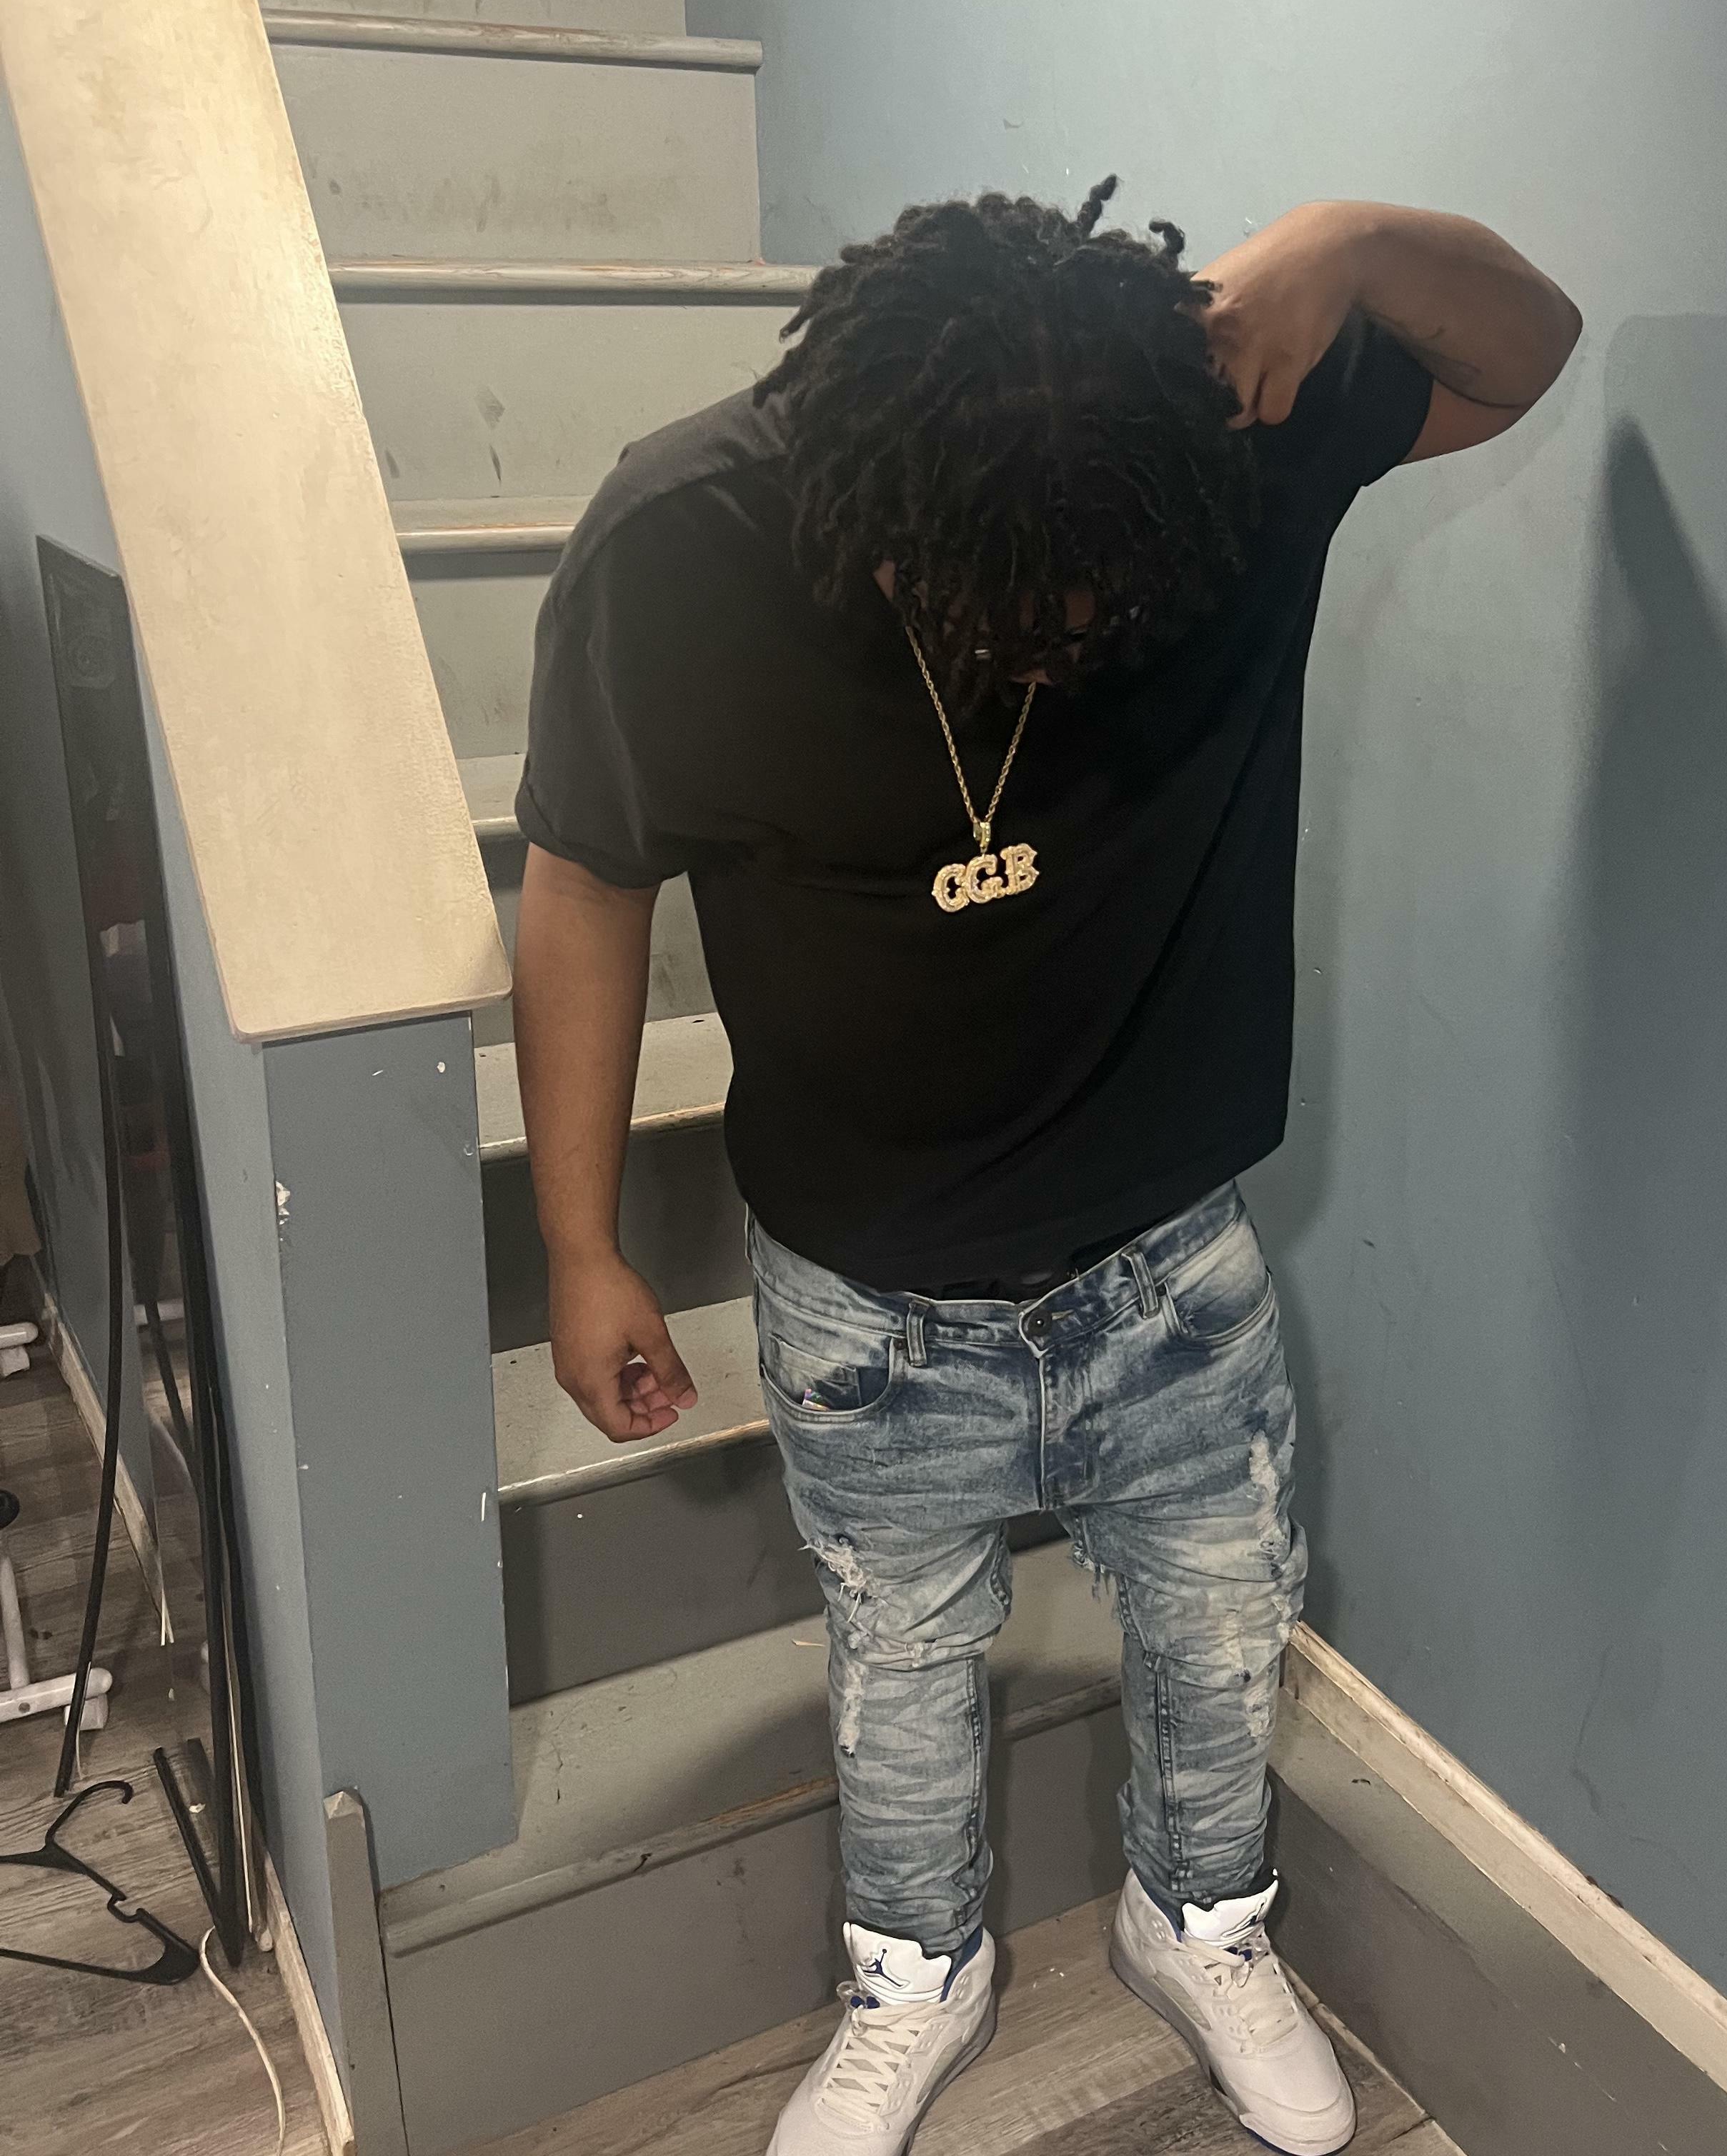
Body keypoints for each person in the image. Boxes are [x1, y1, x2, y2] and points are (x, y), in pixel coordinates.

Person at [512, 175, 1578, 2156]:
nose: (1052, 648)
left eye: (1098, 606)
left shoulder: (1225, 434)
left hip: (1171, 1265)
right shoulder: (685, 544)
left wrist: (1350, 242)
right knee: (902, 1664)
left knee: (1223, 1624)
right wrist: (581, 1241)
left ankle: (1202, 1922)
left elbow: (1528, 350)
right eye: (997, 607)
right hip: (864, 1290)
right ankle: (918, 1972)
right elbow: (586, 879)